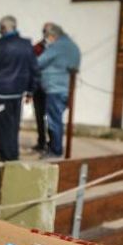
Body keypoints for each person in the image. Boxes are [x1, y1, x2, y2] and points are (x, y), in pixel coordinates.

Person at [0, 15, 39, 162]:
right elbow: (35, 69)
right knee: (13, 126)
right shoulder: (27, 45)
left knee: (3, 127)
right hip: (18, 92)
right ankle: (13, 156)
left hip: (2, 92)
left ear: (3, 28)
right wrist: (31, 90)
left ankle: (7, 159)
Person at [37, 24, 81, 159]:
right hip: (67, 88)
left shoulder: (57, 47)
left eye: (47, 37)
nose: (46, 40)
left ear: (53, 36)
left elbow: (39, 62)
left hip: (55, 88)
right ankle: (55, 146)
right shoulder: (73, 46)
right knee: (57, 119)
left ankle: (55, 150)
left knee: (53, 120)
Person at [32, 23, 53, 152]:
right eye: (45, 31)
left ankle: (53, 142)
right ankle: (41, 141)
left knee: (51, 117)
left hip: (52, 88)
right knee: (39, 116)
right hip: (39, 86)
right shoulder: (37, 47)